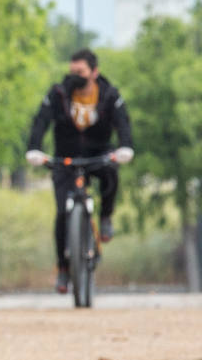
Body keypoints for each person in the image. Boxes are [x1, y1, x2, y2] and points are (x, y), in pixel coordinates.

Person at [25, 48, 134, 294]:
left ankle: (105, 217)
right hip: (65, 157)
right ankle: (64, 268)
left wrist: (126, 147)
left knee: (110, 174)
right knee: (62, 212)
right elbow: (41, 121)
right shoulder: (58, 93)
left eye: (80, 72)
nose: (75, 76)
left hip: (99, 154)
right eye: (72, 71)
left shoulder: (109, 94)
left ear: (94, 72)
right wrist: (34, 149)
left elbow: (123, 123)